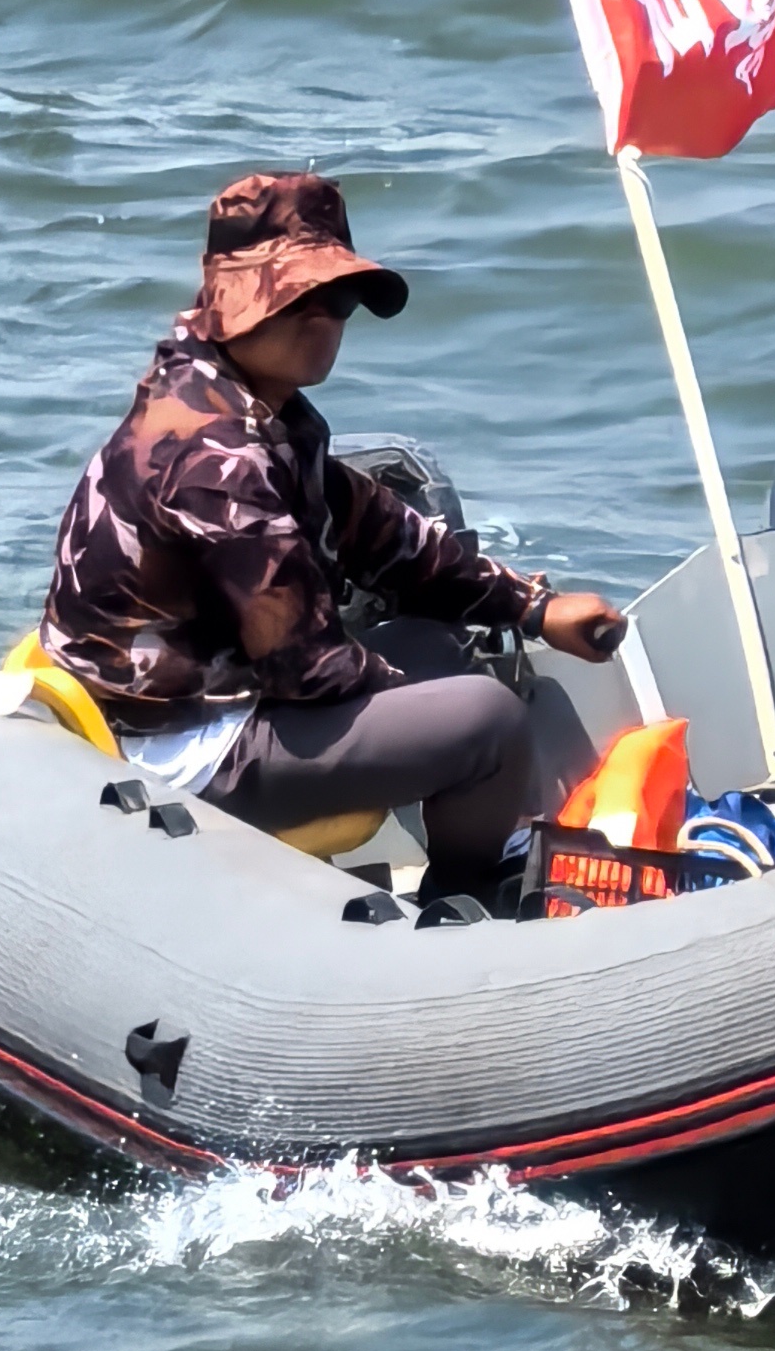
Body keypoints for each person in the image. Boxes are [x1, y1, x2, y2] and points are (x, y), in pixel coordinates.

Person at [40, 169, 627, 914]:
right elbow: (308, 668)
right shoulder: (217, 459)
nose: (325, 323)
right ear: (237, 298)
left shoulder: (247, 406)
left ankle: (490, 844)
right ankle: (469, 905)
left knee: (433, 643)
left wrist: (533, 608)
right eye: (298, 299)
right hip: (185, 743)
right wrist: (427, 708)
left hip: (219, 693)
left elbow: (382, 535)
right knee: (488, 722)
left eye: (340, 301)